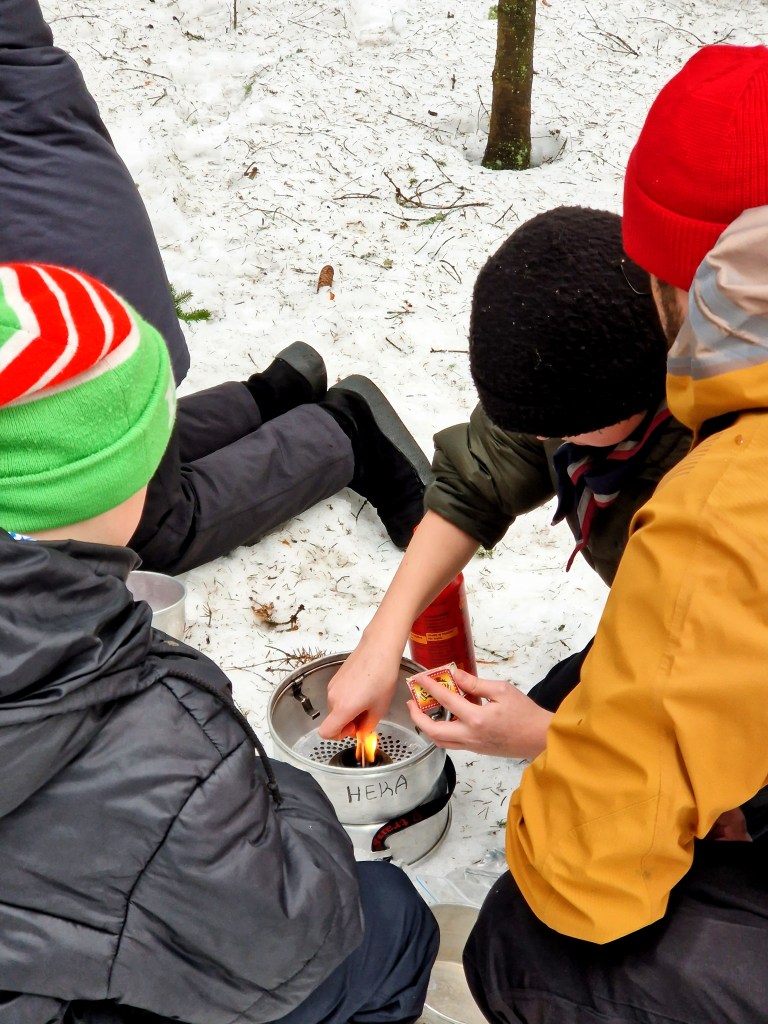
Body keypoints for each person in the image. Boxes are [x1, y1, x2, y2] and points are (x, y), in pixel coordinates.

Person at [0, 261, 438, 1024]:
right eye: (148, 455)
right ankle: (334, 431)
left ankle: (284, 405)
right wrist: (278, 787)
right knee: (393, 920)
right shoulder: (154, 725)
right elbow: (290, 931)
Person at [443, 45, 768, 1024]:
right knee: (576, 690)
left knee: (524, 943)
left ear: (675, 292)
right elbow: (490, 457)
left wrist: (554, 747)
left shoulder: (721, 503)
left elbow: (589, 873)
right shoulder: (630, 411)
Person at [0, 0, 431, 576]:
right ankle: (273, 396)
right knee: (116, 437)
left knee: (150, 527)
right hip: (92, 264)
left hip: (55, 309)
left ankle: (345, 433)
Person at [319, 205, 690, 741]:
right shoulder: (584, 372)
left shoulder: (720, 483)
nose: (540, 440)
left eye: (557, 428)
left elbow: (733, 699)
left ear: (634, 393)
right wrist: (381, 638)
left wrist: (548, 735)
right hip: (656, 616)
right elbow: (478, 481)